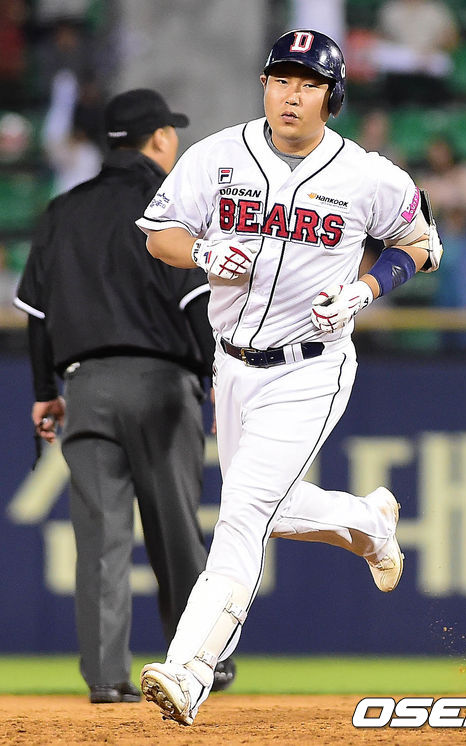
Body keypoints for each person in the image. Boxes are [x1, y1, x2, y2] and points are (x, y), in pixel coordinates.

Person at [136, 30, 443, 726]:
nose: (291, 94)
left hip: (311, 367)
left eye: (308, 83)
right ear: (265, 85)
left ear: (332, 96)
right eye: (281, 79)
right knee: (267, 507)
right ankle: (369, 521)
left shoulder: (365, 174)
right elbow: (159, 233)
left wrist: (366, 288)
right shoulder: (218, 155)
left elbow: (424, 246)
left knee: (243, 513)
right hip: (232, 364)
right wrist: (203, 250)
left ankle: (190, 669)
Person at [14, 88, 235, 703]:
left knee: (100, 537)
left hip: (84, 384)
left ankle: (107, 679)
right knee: (175, 529)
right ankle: (200, 663)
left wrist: (44, 391)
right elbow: (197, 302)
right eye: (172, 131)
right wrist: (221, 379)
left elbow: (37, 313)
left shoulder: (63, 210)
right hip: (162, 385)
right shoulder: (172, 203)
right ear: (159, 138)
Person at [419, 135, 466, 349]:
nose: (437, 157)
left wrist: (452, 206)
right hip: (442, 245)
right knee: (445, 301)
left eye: (440, 151)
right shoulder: (428, 180)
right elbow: (424, 210)